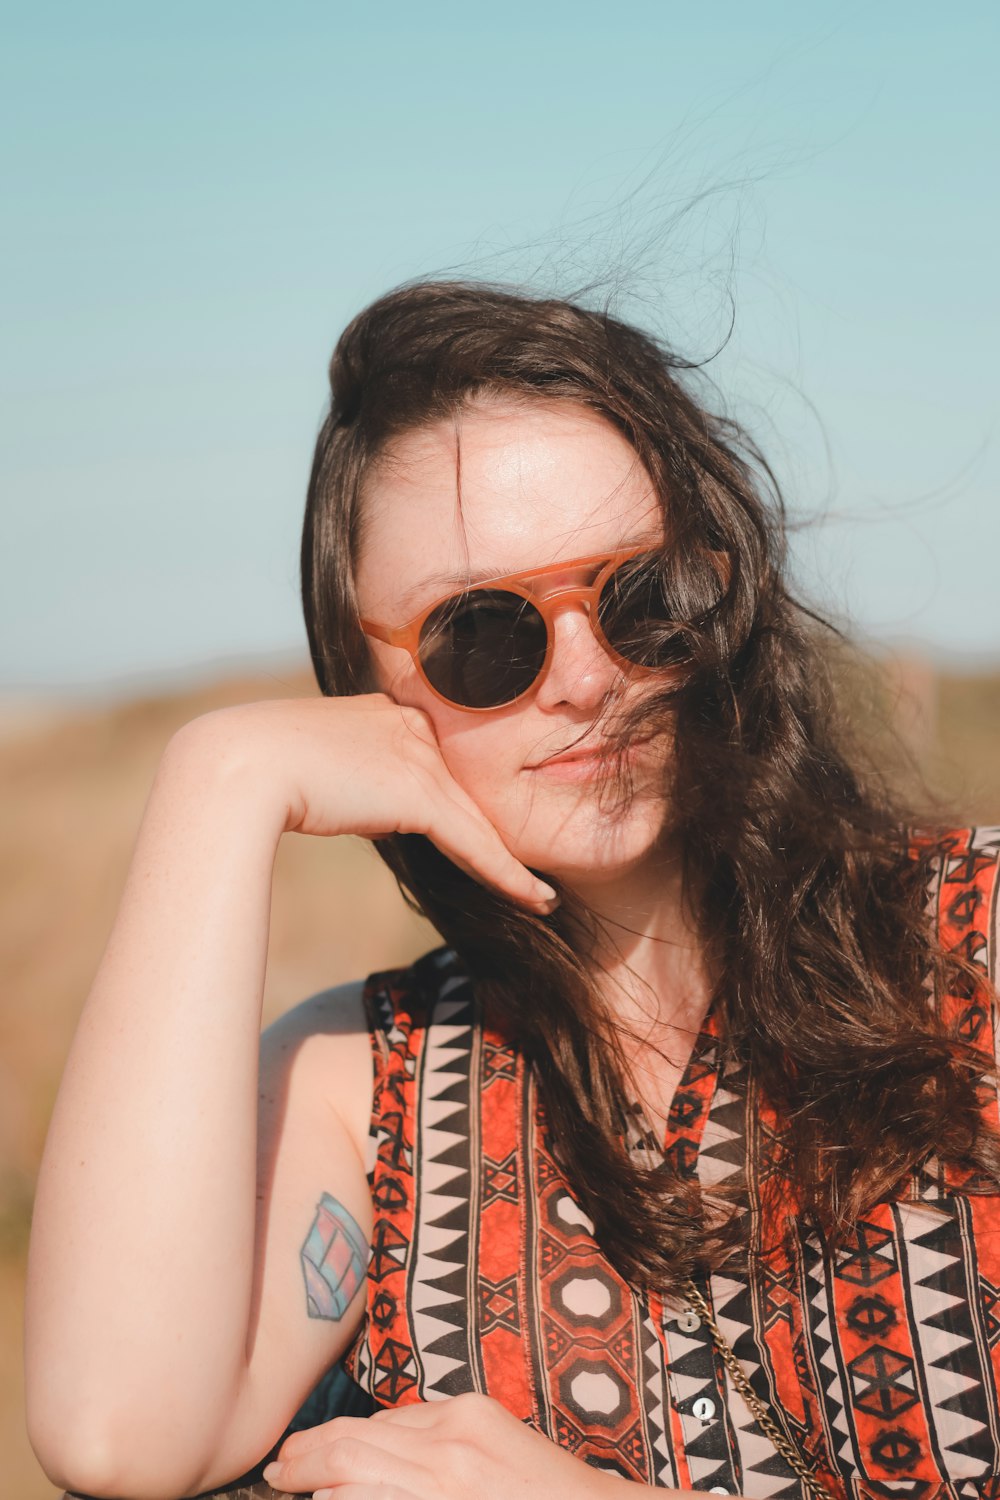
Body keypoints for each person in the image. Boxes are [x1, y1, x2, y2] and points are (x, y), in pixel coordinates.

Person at [24, 281, 1000, 1500]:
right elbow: (116, 1434)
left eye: (642, 595)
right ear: (366, 676)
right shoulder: (364, 1084)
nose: (587, 677)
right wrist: (218, 780)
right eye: (484, 633)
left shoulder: (975, 942)